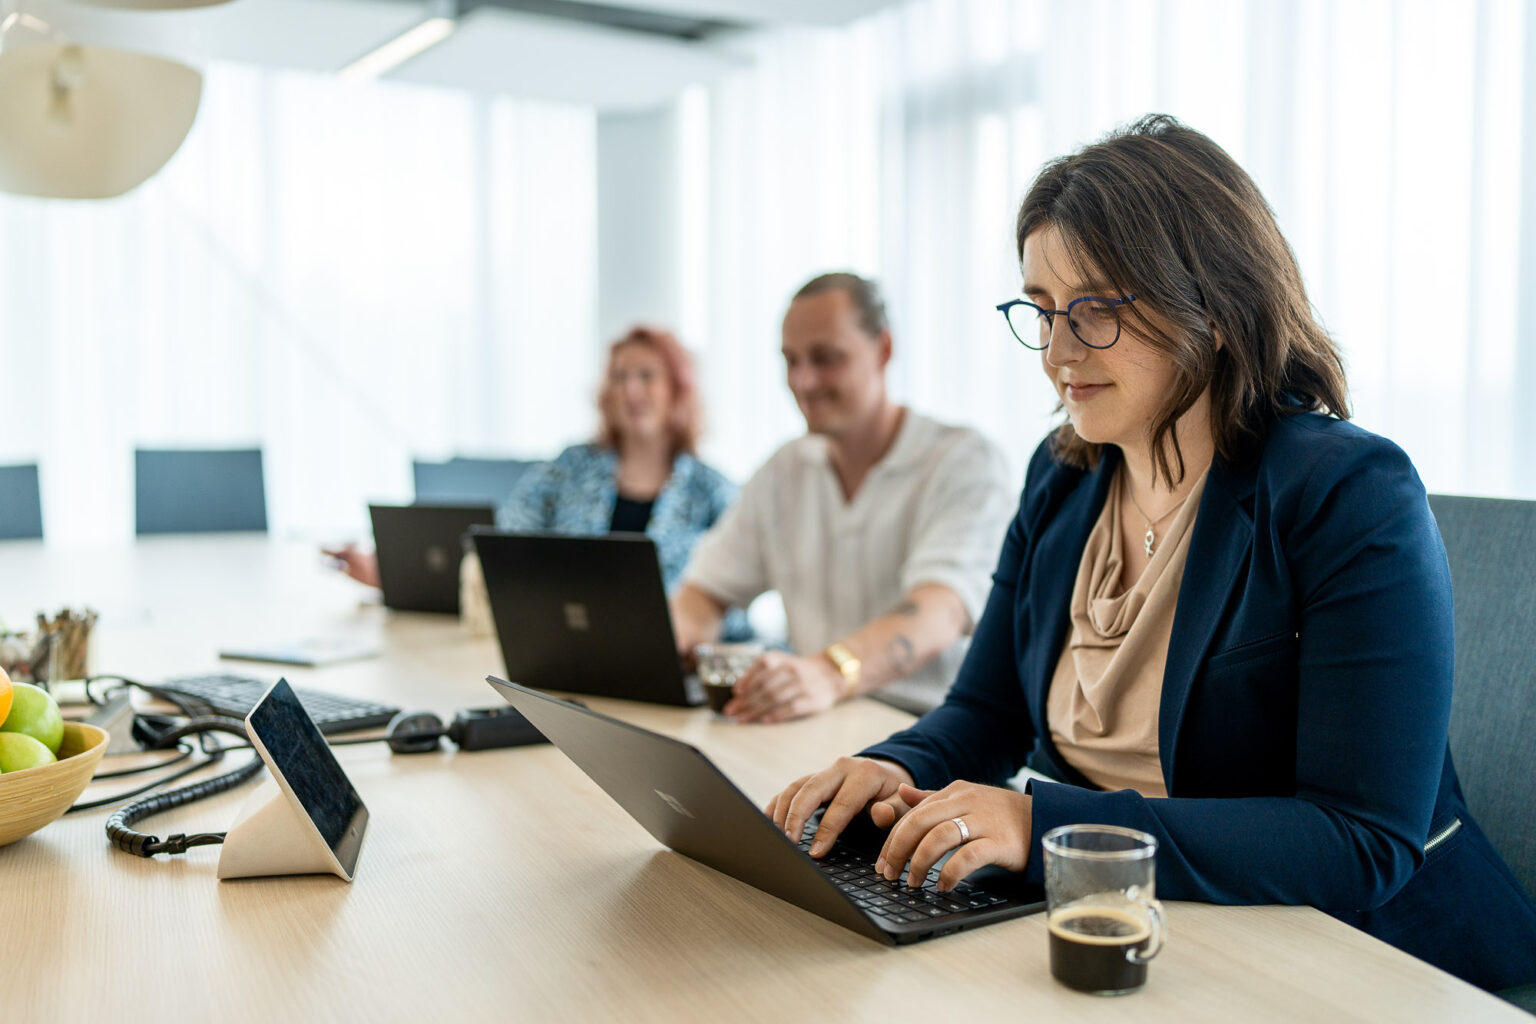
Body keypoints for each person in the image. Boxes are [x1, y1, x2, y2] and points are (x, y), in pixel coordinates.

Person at [767, 116, 1536, 993]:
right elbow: (985, 714)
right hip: (1134, 926)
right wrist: (891, 767)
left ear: (1210, 306)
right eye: (1044, 311)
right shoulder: (1060, 479)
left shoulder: (1346, 492)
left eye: (1093, 311)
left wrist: (1043, 827)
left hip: (1360, 957)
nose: (1057, 353)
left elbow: (1359, 836)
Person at [670, 273, 1013, 721]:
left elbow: (940, 610)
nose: (803, 381)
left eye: (825, 358)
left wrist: (829, 673)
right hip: (819, 724)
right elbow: (704, 590)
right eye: (790, 361)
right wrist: (681, 638)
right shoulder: (783, 471)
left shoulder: (963, 461)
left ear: (884, 349)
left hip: (932, 732)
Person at [328, 326, 736, 599]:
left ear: (678, 391)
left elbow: (734, 602)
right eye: (619, 376)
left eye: (646, 376)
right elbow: (501, 547)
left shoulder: (713, 492)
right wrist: (395, 575)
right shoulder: (570, 469)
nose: (631, 389)